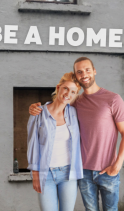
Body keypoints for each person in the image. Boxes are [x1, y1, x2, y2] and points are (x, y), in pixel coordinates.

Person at [29, 57, 124, 211]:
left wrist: (117, 165)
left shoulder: (113, 99)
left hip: (108, 170)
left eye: (87, 70)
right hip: (83, 172)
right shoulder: (76, 103)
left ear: (94, 71)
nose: (84, 74)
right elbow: (58, 104)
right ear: (76, 77)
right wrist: (35, 108)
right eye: (79, 72)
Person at [27, 72, 83, 211]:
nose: (68, 94)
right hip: (46, 175)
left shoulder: (75, 113)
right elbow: (32, 144)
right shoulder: (38, 113)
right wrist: (35, 174)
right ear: (58, 88)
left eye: (73, 92)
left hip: (68, 174)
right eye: (65, 88)